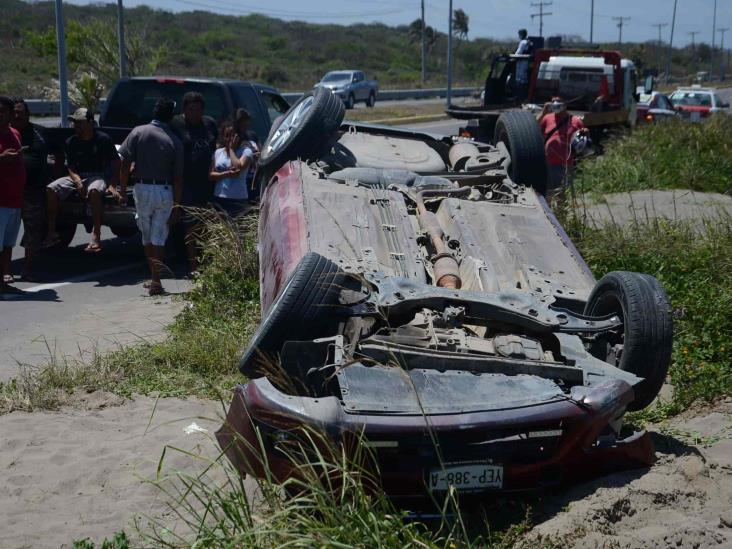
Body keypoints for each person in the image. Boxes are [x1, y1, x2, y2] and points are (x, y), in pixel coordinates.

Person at [118, 98, 183, 296]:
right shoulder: (174, 140)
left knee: (146, 234)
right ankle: (156, 280)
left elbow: (124, 162)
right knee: (159, 236)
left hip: (141, 188)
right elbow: (178, 177)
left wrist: (122, 189)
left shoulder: (138, 132)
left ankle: (153, 276)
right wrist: (177, 205)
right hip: (163, 190)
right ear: (170, 116)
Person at [42, 107, 121, 252]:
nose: (76, 125)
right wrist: (77, 180)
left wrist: (113, 185)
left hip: (98, 175)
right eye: (74, 122)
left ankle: (96, 235)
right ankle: (52, 232)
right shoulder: (71, 141)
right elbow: (70, 166)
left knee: (95, 191)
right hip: (78, 176)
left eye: (80, 122)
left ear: (91, 123)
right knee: (51, 189)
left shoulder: (103, 139)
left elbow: (116, 162)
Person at [170, 92, 218, 273]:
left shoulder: (209, 124)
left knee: (206, 222)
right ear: (184, 110)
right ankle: (192, 265)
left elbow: (216, 147)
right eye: (191, 109)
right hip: (186, 181)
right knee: (190, 223)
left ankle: (205, 260)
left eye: (198, 109)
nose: (195, 113)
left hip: (207, 181)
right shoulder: (176, 124)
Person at [11, 98, 48, 280]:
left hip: (33, 190)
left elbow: (57, 154)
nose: (17, 115)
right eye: (14, 112)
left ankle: (28, 268)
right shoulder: (5, 133)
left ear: (27, 114)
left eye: (20, 112)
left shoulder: (39, 133)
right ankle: (6, 271)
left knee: (33, 230)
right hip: (9, 190)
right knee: (6, 231)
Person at [0, 96, 26, 296]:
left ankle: (4, 280)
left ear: (10, 114)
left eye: (3, 111)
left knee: (8, 244)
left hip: (15, 200)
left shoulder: (15, 133)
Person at [538, 96, 588, 196]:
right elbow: (533, 127)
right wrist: (543, 112)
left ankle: (560, 212)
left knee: (562, 193)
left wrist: (585, 133)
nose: (555, 103)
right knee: (549, 193)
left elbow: (583, 139)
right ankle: (548, 211)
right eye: (553, 101)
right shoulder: (547, 118)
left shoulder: (575, 121)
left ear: (565, 105)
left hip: (566, 163)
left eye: (558, 101)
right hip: (549, 162)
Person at [210, 120, 253, 218]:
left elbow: (238, 166)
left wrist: (231, 150)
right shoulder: (218, 152)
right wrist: (227, 174)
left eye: (233, 136)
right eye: (227, 135)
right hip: (220, 197)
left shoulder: (246, 152)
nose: (230, 139)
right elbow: (211, 175)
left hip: (238, 198)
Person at [234, 108, 260, 201]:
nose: (246, 125)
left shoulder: (252, 135)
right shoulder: (235, 138)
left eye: (247, 121)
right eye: (243, 122)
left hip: (254, 178)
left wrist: (258, 155)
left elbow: (260, 150)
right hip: (241, 179)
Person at [514, 29, 531, 103]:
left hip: (522, 63)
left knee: (520, 80)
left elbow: (518, 53)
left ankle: (520, 99)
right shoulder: (529, 42)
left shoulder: (523, 42)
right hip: (526, 63)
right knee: (524, 80)